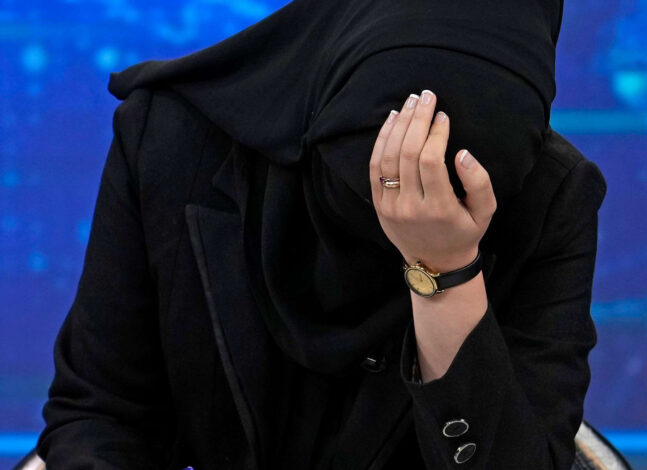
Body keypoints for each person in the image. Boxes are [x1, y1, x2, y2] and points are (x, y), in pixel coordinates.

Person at [35, 0, 607, 468]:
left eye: (451, 183)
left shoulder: (552, 200)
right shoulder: (171, 140)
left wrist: (445, 270)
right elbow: (102, 414)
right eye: (380, 174)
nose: (411, 197)